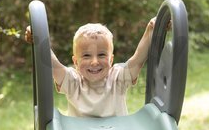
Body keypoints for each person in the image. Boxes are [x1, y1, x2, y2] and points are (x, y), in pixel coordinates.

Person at [25, 17, 156, 117]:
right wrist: (38, 39)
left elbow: (138, 58)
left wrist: (151, 29)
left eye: (101, 55)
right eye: (86, 56)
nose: (94, 62)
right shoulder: (73, 81)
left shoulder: (118, 78)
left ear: (111, 59)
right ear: (75, 62)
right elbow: (53, 64)